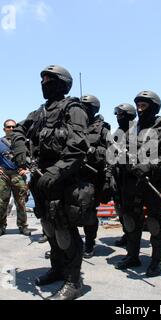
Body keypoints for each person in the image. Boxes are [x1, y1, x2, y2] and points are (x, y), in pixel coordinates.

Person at [12, 65, 89, 300]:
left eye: (49, 79)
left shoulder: (73, 109)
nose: (44, 83)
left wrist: (56, 172)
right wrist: (21, 150)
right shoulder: (39, 112)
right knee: (49, 227)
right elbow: (17, 131)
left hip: (64, 179)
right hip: (41, 181)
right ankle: (57, 269)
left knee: (65, 231)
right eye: (42, 79)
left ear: (62, 83)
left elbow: (78, 147)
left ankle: (74, 281)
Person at [115, 91, 161, 277]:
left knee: (154, 222)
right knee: (131, 221)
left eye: (144, 105)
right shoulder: (132, 129)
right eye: (138, 105)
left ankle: (157, 260)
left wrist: (149, 166)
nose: (140, 109)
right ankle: (132, 256)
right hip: (131, 185)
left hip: (153, 184)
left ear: (154, 106)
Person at [80, 94, 112, 259]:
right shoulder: (74, 125)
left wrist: (95, 152)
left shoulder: (103, 129)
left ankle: (90, 244)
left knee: (89, 212)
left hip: (92, 177)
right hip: (73, 175)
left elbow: (112, 152)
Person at [0, 119, 31, 236]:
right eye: (9, 127)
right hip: (3, 175)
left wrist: (25, 169)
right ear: (4, 129)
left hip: (18, 174)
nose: (11, 129)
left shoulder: (22, 142)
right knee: (1, 203)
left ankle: (23, 226)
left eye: (14, 127)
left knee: (21, 202)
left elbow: (30, 157)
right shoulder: (0, 142)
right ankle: (1, 226)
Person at [112, 103, 137, 247]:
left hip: (131, 177)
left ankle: (133, 237)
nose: (119, 118)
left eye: (121, 115)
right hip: (118, 175)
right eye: (118, 115)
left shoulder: (136, 131)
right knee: (119, 207)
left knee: (131, 210)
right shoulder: (118, 132)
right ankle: (126, 233)